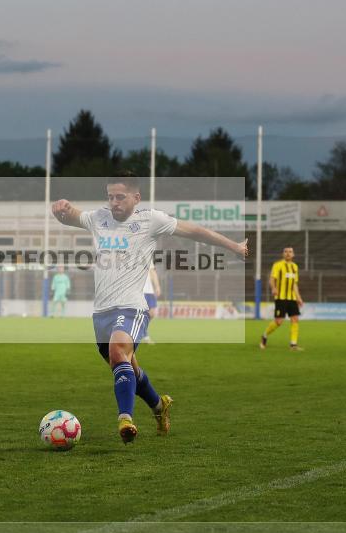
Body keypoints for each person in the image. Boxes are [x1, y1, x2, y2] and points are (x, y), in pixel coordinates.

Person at [52, 171, 248, 443]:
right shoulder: (99, 218)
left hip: (132, 307)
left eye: (120, 196)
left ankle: (125, 420)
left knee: (118, 351)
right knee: (127, 367)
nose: (114, 202)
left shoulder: (150, 220)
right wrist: (60, 207)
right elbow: (71, 215)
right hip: (101, 313)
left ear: (136, 197)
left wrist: (234, 246)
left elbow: (195, 231)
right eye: (110, 196)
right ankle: (159, 405)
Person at [260, 246, 304, 351]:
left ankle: (293, 344)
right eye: (286, 251)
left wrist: (299, 298)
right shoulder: (277, 265)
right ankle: (264, 336)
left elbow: (294, 284)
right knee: (279, 321)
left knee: (295, 319)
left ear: (293, 254)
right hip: (281, 297)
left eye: (290, 252)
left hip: (292, 298)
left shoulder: (295, 267)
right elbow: (272, 279)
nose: (288, 253)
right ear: (283, 254)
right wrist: (274, 288)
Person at [140, 265, 160, 344]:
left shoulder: (147, 256)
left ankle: (142, 331)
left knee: (152, 313)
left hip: (149, 290)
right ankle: (144, 335)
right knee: (139, 314)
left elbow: (152, 272)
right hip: (139, 290)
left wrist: (157, 286)